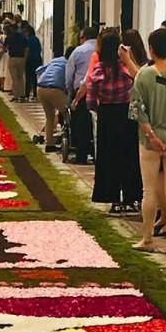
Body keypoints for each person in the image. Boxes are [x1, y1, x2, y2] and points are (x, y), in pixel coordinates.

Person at [129, 28, 166, 253]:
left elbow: (138, 110)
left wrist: (151, 135)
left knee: (149, 190)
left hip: (151, 138)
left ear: (151, 48)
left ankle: (148, 238)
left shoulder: (144, 74)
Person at [74, 29, 141, 211]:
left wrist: (96, 107)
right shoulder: (126, 68)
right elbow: (138, 81)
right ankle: (131, 196)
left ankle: (112, 197)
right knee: (128, 156)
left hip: (107, 115)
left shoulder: (99, 70)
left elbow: (90, 98)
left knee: (109, 158)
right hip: (126, 116)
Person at [66, 27, 100, 164]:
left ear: (84, 37)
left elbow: (69, 74)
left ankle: (81, 155)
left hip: (82, 91)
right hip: (100, 92)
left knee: (81, 124)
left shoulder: (78, 51)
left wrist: (70, 93)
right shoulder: (101, 50)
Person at [35, 46, 73, 153]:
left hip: (41, 87)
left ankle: (50, 144)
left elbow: (38, 70)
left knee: (49, 117)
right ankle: (71, 140)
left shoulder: (56, 60)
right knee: (69, 114)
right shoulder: (70, 64)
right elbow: (70, 81)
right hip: (55, 89)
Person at [5, 25, 29, 103]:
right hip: (21, 58)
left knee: (14, 78)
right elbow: (26, 49)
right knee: (21, 77)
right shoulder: (23, 37)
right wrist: (25, 58)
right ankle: (22, 95)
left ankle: (16, 96)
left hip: (13, 58)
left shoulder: (9, 37)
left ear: (11, 29)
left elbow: (5, 48)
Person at [24, 25, 43, 101]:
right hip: (37, 60)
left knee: (28, 78)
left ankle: (27, 94)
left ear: (28, 32)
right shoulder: (36, 39)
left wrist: (25, 60)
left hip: (30, 60)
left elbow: (27, 50)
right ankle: (35, 94)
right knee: (35, 78)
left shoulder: (28, 40)